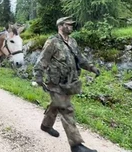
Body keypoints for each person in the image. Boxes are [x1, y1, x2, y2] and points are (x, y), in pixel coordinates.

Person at [34, 16, 100, 152]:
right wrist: (39, 77)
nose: (71, 26)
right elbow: (42, 60)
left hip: (69, 82)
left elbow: (80, 59)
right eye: (68, 24)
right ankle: (76, 145)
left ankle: (46, 125)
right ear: (60, 26)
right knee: (66, 109)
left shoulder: (73, 42)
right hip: (54, 83)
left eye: (71, 25)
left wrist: (92, 68)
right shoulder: (52, 41)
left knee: (56, 105)